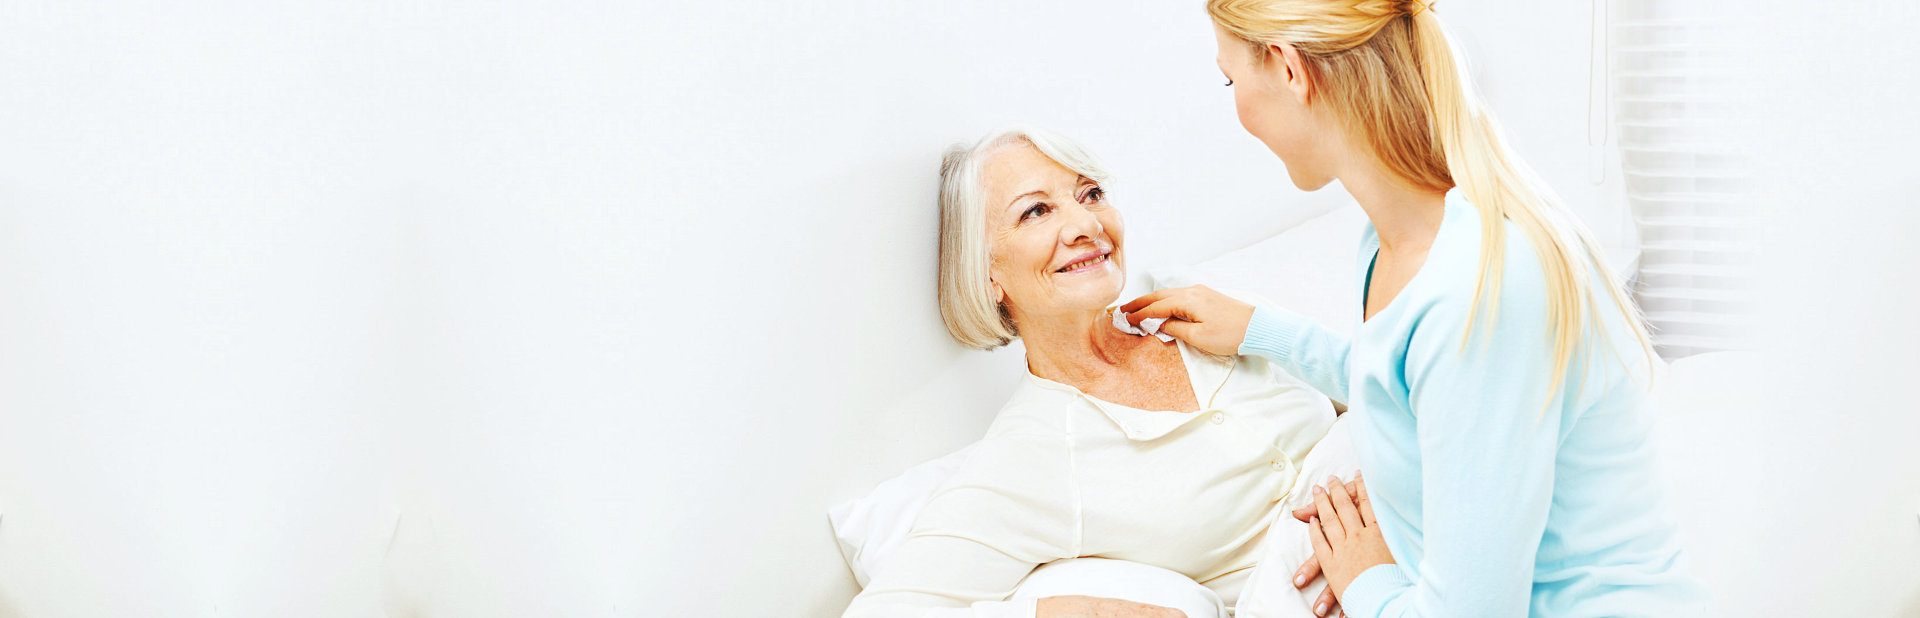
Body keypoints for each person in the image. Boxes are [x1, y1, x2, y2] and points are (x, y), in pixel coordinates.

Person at [1118, 2, 1706, 616]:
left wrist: (1367, 581)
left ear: (1289, 69)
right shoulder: (1394, 240)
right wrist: (1262, 333)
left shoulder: (1479, 288)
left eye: (1230, 79)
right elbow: (1421, 391)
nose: (1235, 108)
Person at [842, 126, 1356, 618]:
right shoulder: (1030, 459)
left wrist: (1260, 330)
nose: (1087, 226)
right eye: (1036, 211)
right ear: (987, 273)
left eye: (1090, 194)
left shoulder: (1201, 310)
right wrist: (1052, 612)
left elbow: (1392, 387)